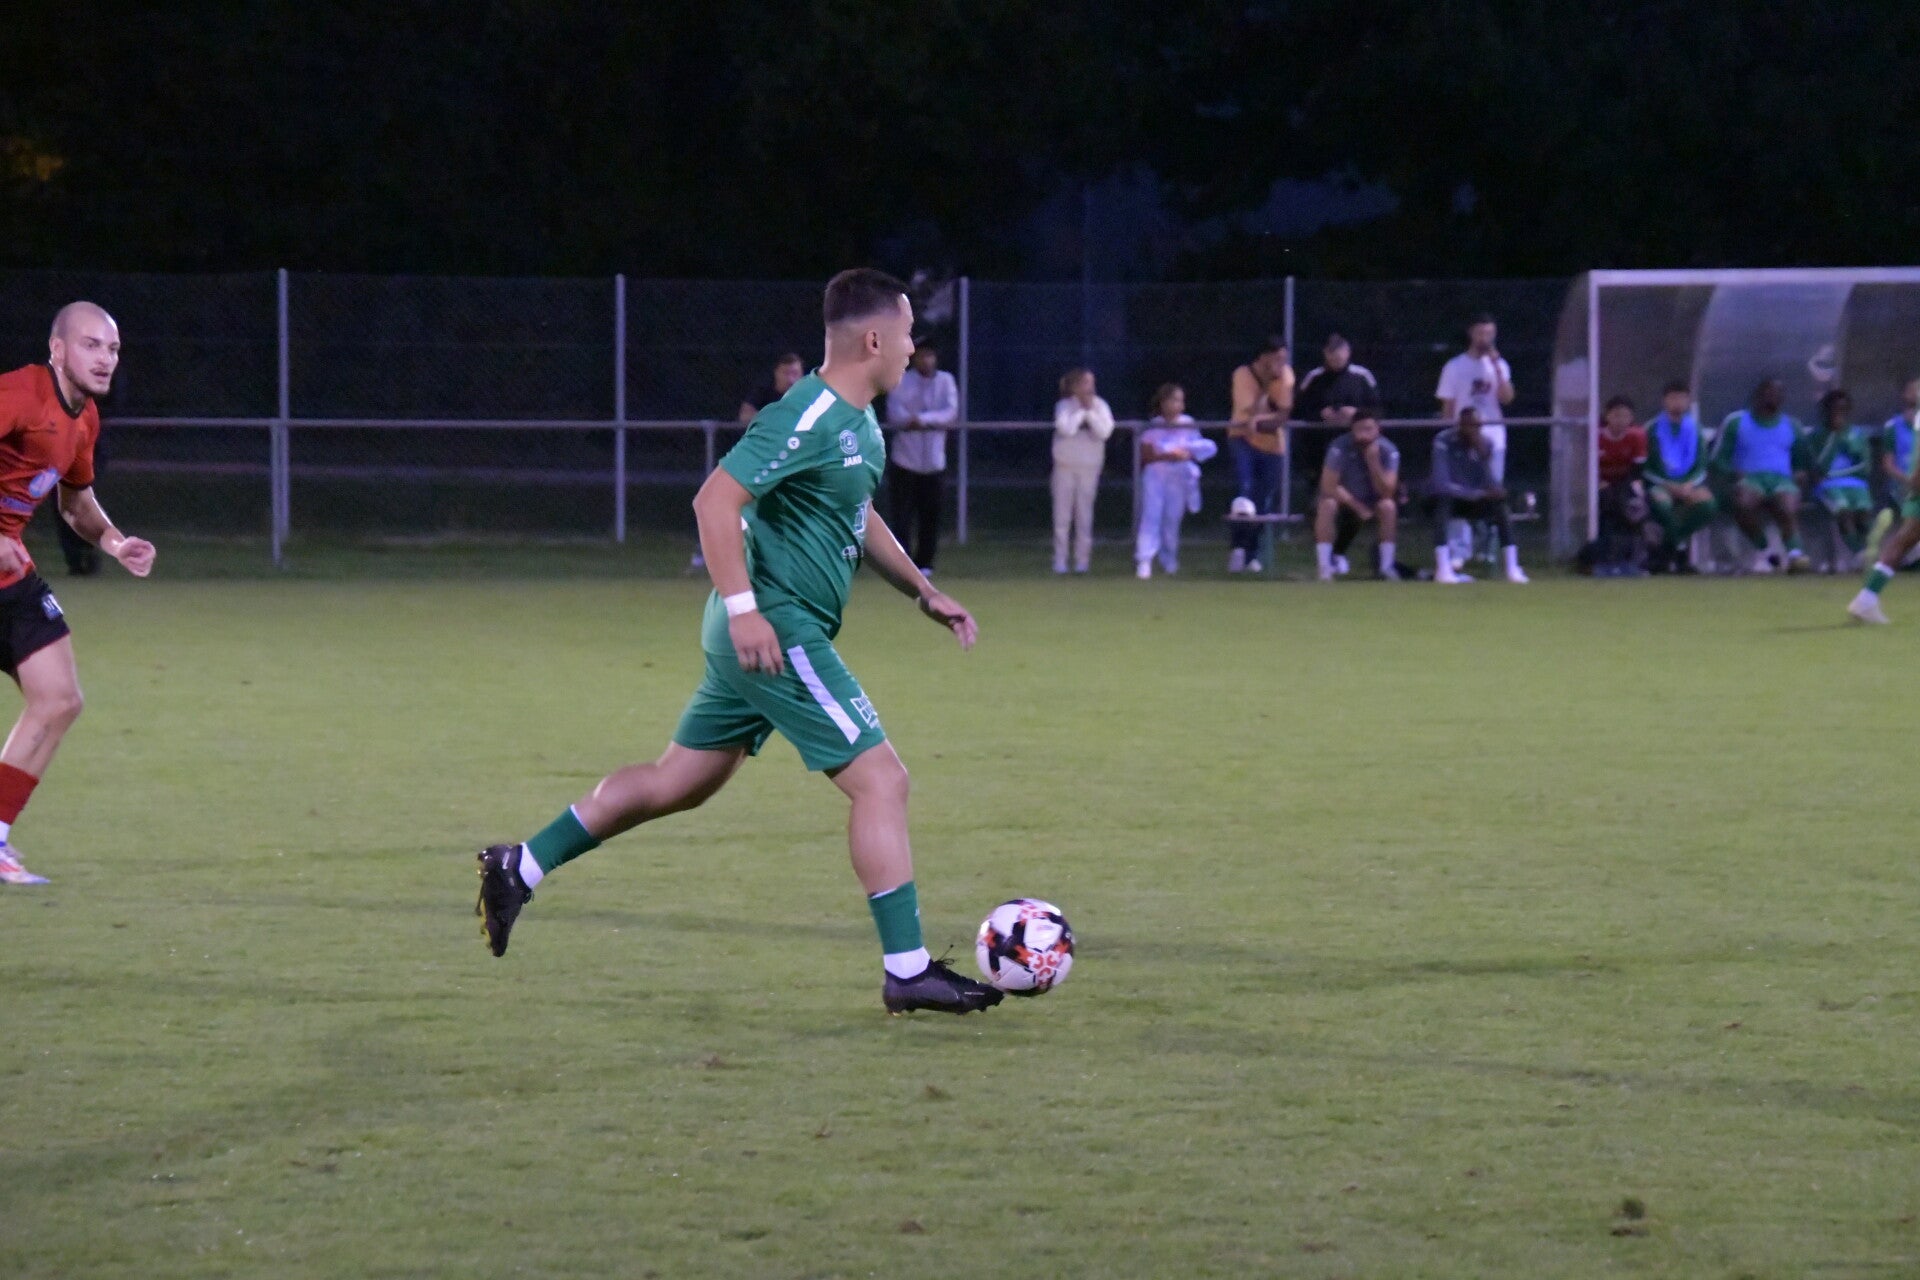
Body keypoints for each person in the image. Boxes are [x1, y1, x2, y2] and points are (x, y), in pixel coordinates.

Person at [474, 270, 1002, 1015]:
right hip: (774, 625)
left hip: (758, 629)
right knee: (881, 780)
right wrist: (746, 608)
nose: (914, 347)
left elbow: (856, 515)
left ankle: (520, 866)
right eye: (909, 333)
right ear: (874, 339)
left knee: (677, 783)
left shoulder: (858, 424)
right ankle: (908, 970)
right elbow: (714, 500)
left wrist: (922, 589)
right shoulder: (807, 414)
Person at [0, 303, 157, 886]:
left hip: (8, 575)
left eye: (112, 349)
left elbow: (75, 502)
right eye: (91, 345)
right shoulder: (19, 394)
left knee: (59, 698)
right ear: (58, 349)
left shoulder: (84, 419)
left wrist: (115, 543)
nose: (105, 358)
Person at [1435, 314, 1516, 565]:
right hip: (1462, 439)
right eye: (1481, 333)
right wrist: (1448, 435)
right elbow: (1448, 406)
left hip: (1493, 438)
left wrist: (1497, 369)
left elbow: (1507, 398)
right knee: (1459, 492)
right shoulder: (1454, 366)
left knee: (1492, 493)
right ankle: (1459, 550)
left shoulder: (1500, 365)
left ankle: (1489, 549)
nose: (1485, 339)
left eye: (1490, 334)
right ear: (1472, 334)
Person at [1714, 378, 1810, 573]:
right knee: (1743, 503)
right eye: (1767, 393)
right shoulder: (1736, 422)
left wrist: (1800, 474)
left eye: (1777, 394)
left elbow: (1802, 461)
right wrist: (1734, 473)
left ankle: (1795, 555)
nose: (1771, 398)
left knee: (1787, 504)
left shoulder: (1792, 425)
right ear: (1756, 396)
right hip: (1749, 479)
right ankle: (1766, 551)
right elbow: (1718, 459)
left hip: (1782, 480)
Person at [1429, 406, 1528, 585]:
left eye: (1476, 426)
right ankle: (1443, 569)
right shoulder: (1444, 440)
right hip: (1448, 498)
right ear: (1460, 425)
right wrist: (1476, 493)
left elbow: (1488, 480)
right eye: (1469, 425)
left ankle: (1512, 567)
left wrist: (1495, 490)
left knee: (1500, 506)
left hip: (1472, 500)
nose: (1472, 429)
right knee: (1443, 503)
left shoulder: (1485, 444)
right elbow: (1441, 483)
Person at [884, 342, 958, 573]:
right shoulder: (901, 380)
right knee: (902, 517)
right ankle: (902, 563)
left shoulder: (945, 381)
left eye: (929, 356)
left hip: (934, 463)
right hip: (905, 461)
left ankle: (925, 563)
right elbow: (894, 412)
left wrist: (923, 420)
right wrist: (910, 420)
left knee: (930, 516)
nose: (926, 360)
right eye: (921, 356)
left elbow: (951, 412)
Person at [1134, 383, 1217, 579]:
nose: (1177, 405)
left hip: (1178, 477)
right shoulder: (1154, 425)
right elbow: (1146, 455)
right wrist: (1168, 456)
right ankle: (1144, 560)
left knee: (1172, 518)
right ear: (1163, 403)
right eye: (1173, 400)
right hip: (1156, 476)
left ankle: (1169, 559)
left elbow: (1197, 448)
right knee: (1151, 515)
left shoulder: (1188, 423)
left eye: (1180, 401)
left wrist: (1186, 454)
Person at [1225, 337, 1293, 573]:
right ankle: (1238, 549)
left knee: (1263, 502)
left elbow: (1282, 415)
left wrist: (1263, 422)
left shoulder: (1286, 375)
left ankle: (1252, 554)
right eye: (1277, 358)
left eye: (1284, 358)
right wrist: (1265, 385)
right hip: (1242, 439)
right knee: (1244, 493)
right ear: (1264, 357)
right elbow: (1247, 415)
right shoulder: (1243, 375)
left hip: (1273, 446)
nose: (1281, 364)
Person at [1314, 409, 1400, 580]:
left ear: (1378, 430)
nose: (1363, 435)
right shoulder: (1339, 447)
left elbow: (1387, 491)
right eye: (1359, 429)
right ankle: (1324, 568)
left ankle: (1387, 567)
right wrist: (1358, 507)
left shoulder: (1389, 450)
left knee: (1388, 506)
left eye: (1369, 429)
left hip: (1373, 500)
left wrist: (1373, 463)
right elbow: (1329, 485)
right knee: (1327, 504)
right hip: (1344, 500)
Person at [1643, 380, 1717, 572]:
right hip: (1661, 484)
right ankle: (1681, 553)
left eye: (1682, 398)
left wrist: (1689, 485)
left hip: (1688, 484)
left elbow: (1701, 465)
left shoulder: (1696, 429)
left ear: (1688, 401)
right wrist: (1668, 485)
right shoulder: (1651, 428)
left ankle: (1666, 550)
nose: (1677, 402)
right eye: (1673, 398)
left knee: (1708, 505)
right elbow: (1646, 466)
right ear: (1664, 401)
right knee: (1662, 505)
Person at [1801, 388, 1875, 567]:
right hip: (1827, 485)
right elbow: (1817, 469)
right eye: (1834, 409)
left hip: (1856, 484)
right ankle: (1859, 553)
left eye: (1842, 409)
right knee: (1844, 511)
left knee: (1863, 513)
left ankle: (1869, 552)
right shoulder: (1816, 436)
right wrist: (1835, 437)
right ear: (1826, 411)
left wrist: (1848, 445)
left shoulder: (1857, 434)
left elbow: (1865, 467)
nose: (1838, 414)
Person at [1050, 368, 1114, 574]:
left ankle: (1082, 561)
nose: (1090, 387)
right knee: (1062, 516)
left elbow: (1105, 432)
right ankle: (1060, 560)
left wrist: (1090, 413)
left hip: (1089, 467)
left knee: (1084, 516)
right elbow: (1065, 429)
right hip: (1065, 465)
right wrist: (1080, 413)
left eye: (1091, 383)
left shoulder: (1100, 405)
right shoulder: (1064, 406)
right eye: (1086, 383)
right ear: (1075, 386)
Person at [1592, 396, 1651, 572]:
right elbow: (1586, 466)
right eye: (1616, 415)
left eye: (1626, 416)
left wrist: (1633, 488)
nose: (1621, 420)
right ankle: (1604, 557)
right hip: (1600, 485)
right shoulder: (1596, 436)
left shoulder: (1637, 436)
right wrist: (1599, 482)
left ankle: (1633, 558)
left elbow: (1637, 469)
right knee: (1607, 503)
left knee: (1634, 506)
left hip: (1625, 483)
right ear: (1607, 416)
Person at [1293, 333, 1382, 428]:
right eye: (1332, 351)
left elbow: (1377, 409)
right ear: (1325, 353)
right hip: (1319, 434)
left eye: (1341, 351)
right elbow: (1298, 409)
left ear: (1348, 352)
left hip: (1355, 434)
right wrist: (1320, 415)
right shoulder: (1313, 377)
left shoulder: (1362, 375)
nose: (1336, 355)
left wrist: (1357, 413)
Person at [737, 352, 805, 423]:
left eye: (795, 373)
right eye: (785, 373)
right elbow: (745, 416)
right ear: (776, 373)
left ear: (802, 375)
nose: (790, 379)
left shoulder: (808, 394)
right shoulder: (762, 391)